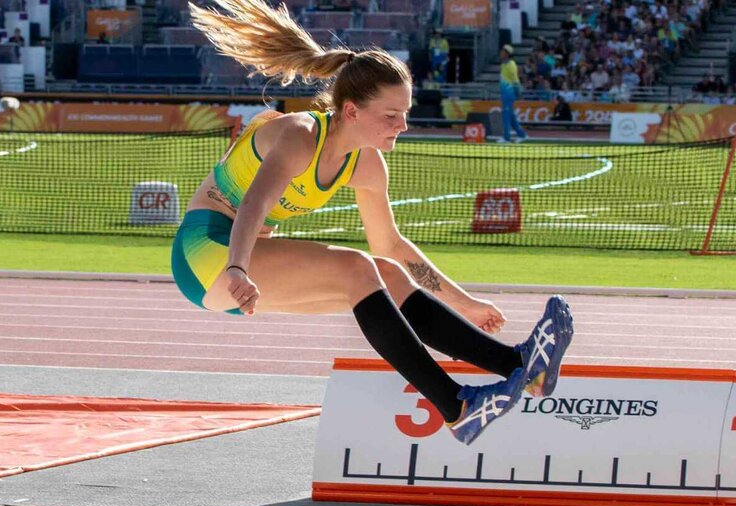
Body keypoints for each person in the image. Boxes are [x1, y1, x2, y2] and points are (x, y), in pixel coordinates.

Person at [179, 0, 573, 445]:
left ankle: (520, 368)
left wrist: (466, 304)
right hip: (209, 254)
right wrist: (236, 268)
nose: (402, 125)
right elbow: (253, 205)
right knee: (356, 269)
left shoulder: (366, 166)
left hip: (244, 261)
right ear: (351, 112)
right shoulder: (300, 137)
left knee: (384, 272)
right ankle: (455, 406)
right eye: (390, 116)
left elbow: (390, 245)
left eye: (405, 112)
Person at [497, 44, 528, 143]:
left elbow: (515, 80)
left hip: (509, 93)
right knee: (510, 115)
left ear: (507, 53)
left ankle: (506, 137)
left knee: (506, 115)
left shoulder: (511, 65)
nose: (500, 53)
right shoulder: (503, 65)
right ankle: (521, 134)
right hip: (504, 93)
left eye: (502, 51)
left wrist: (518, 93)